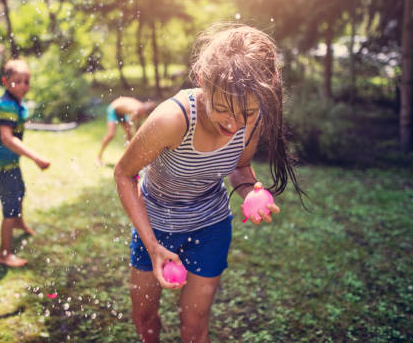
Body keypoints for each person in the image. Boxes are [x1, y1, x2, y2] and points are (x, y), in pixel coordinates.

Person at [113, 24, 306, 343]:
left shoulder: (253, 119)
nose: (233, 124)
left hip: (209, 227)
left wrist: (250, 191)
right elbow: (123, 173)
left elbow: (241, 168)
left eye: (246, 112)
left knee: (195, 327)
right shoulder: (172, 120)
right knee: (145, 319)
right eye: (222, 110)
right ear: (203, 82)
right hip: (155, 225)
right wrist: (153, 246)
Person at [0, 59, 51, 268]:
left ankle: (19, 223)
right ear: (5, 81)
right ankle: (4, 253)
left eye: (26, 81)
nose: (23, 86)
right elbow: (7, 138)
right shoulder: (7, 105)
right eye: (17, 81)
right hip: (2, 164)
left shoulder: (13, 101)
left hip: (8, 162)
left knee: (20, 191)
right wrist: (36, 157)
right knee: (10, 207)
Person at [96, 96, 157, 166]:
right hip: (113, 109)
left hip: (122, 113)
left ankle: (127, 159)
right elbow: (129, 126)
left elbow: (137, 128)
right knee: (111, 135)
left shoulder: (141, 109)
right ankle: (98, 157)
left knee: (130, 135)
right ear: (146, 113)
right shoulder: (137, 110)